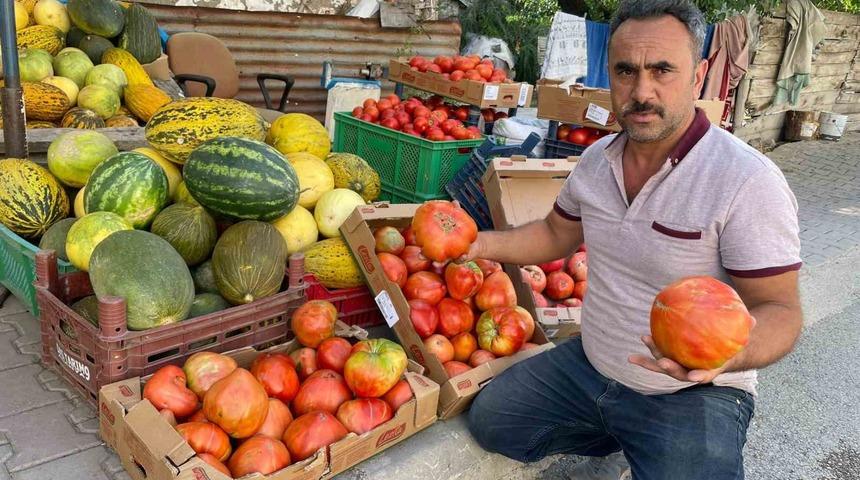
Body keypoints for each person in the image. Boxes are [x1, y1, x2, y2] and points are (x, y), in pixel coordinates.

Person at [465, 1, 804, 479]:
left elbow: (782, 311)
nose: (642, 91)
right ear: (610, 73)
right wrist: (480, 246)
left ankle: (638, 436)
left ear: (699, 73)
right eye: (626, 70)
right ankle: (619, 435)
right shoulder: (597, 159)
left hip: (690, 393)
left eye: (663, 69)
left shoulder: (746, 181)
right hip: (591, 366)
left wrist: (730, 357)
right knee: (493, 423)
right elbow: (554, 234)